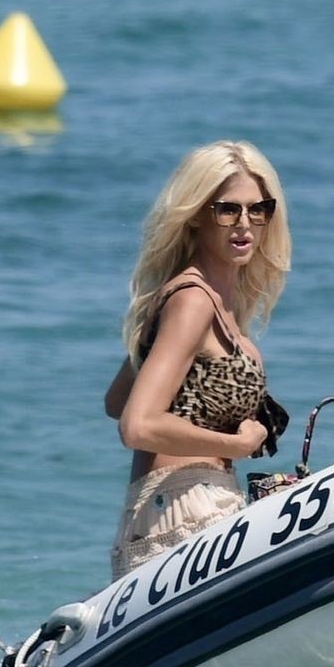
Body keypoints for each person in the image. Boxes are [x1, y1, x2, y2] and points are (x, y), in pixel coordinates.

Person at [103, 141, 291, 577]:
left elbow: (117, 400)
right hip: (182, 509)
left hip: (189, 502)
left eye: (257, 210)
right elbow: (136, 425)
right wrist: (235, 445)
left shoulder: (204, 300)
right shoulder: (193, 301)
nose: (244, 224)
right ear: (195, 217)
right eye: (227, 210)